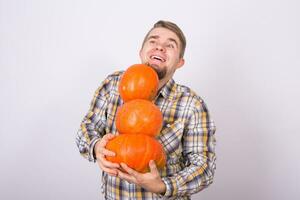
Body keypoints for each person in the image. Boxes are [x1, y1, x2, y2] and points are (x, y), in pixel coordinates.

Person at [76, 20, 216, 200]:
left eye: (170, 45)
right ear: (141, 52)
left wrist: (163, 186)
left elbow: (204, 168)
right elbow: (86, 128)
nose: (159, 48)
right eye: (153, 41)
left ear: (180, 62)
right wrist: (96, 148)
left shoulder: (192, 104)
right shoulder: (113, 84)